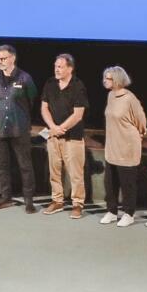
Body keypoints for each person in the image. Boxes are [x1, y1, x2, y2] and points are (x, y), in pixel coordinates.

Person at [0, 45, 39, 212]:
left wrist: (22, 118)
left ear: (13, 58)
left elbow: (32, 99)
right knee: (2, 165)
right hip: (0, 128)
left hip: (19, 128)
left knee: (25, 165)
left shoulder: (25, 78)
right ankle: (6, 197)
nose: (0, 61)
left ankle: (29, 200)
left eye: (4, 58)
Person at [41, 53, 90, 218]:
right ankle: (57, 200)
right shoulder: (50, 83)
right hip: (53, 136)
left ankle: (77, 204)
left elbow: (78, 114)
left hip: (72, 137)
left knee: (75, 173)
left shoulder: (78, 86)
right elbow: (44, 108)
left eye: (60, 67)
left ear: (70, 68)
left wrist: (60, 128)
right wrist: (52, 127)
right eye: (55, 66)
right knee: (54, 170)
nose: (57, 69)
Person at [99, 66, 147, 227]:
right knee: (110, 182)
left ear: (118, 80)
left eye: (108, 78)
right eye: (105, 78)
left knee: (127, 183)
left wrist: (139, 133)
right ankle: (112, 211)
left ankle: (128, 213)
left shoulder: (129, 98)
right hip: (112, 146)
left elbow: (141, 119)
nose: (105, 81)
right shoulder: (110, 96)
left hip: (127, 146)